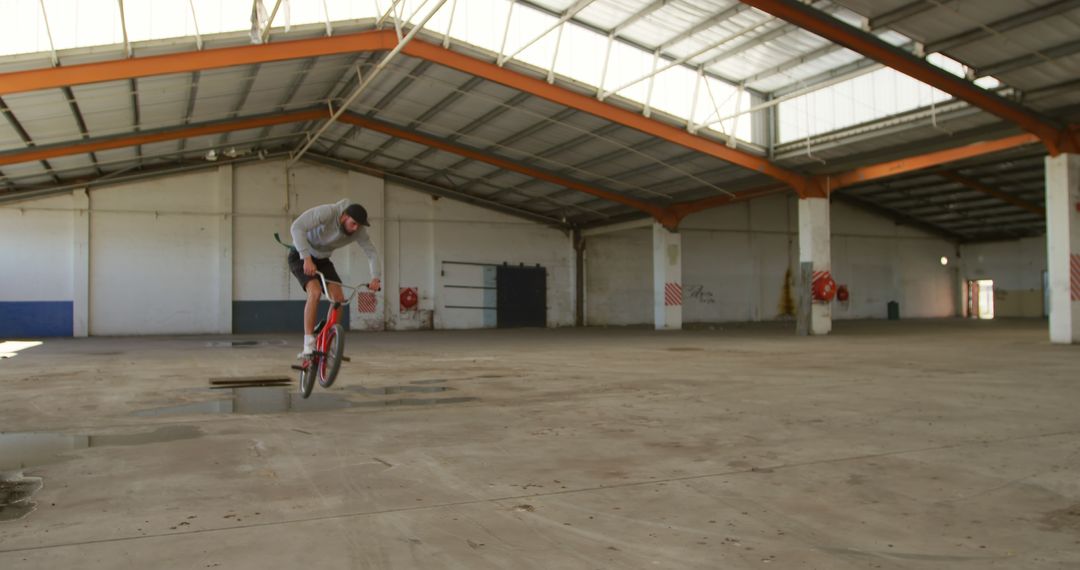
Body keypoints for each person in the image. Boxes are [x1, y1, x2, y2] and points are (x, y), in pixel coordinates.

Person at [288, 199, 381, 357]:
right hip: (300, 255)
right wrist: (306, 258)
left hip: (323, 260)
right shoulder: (328, 212)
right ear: (344, 216)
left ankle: (326, 342)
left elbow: (371, 252)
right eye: (353, 223)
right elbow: (296, 227)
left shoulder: (358, 231)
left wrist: (375, 278)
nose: (356, 228)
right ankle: (308, 344)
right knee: (315, 292)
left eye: (359, 225)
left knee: (339, 299)